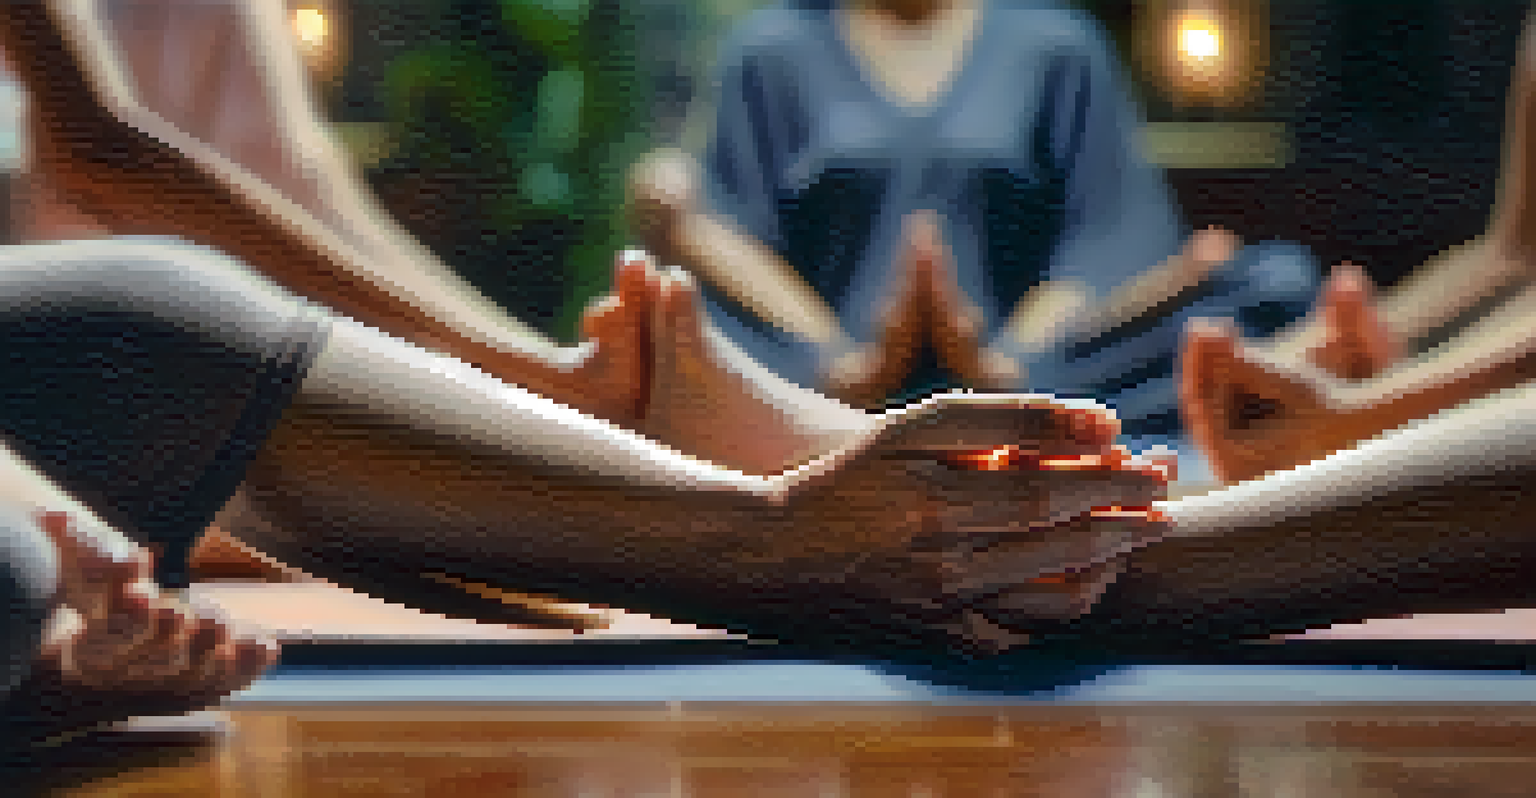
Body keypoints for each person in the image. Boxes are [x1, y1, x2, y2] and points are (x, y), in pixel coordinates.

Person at [631, 0, 1319, 447]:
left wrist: (998, 366)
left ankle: (1011, 405)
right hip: (815, 373)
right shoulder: (772, 48)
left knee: (1274, 285)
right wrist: (850, 363)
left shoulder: (1056, 45)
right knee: (657, 315)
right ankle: (849, 412)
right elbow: (735, 233)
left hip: (1042, 365)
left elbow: (1102, 240)